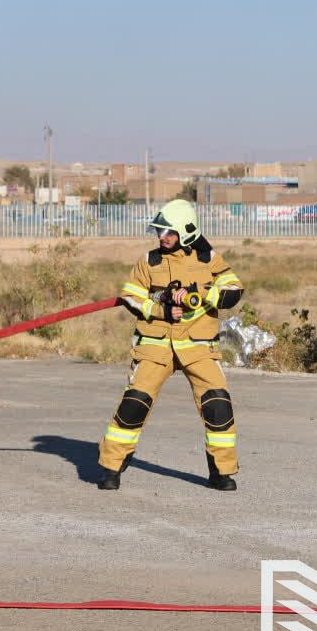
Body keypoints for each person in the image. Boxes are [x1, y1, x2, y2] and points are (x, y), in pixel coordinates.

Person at [97, 198, 245, 491]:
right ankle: (111, 468)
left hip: (198, 347)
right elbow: (130, 296)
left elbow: (233, 289)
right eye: (159, 232)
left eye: (168, 232)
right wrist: (160, 307)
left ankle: (221, 472)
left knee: (218, 405)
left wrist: (203, 294)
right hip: (155, 346)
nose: (161, 237)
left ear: (186, 232)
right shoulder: (149, 261)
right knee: (133, 405)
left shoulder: (208, 259)